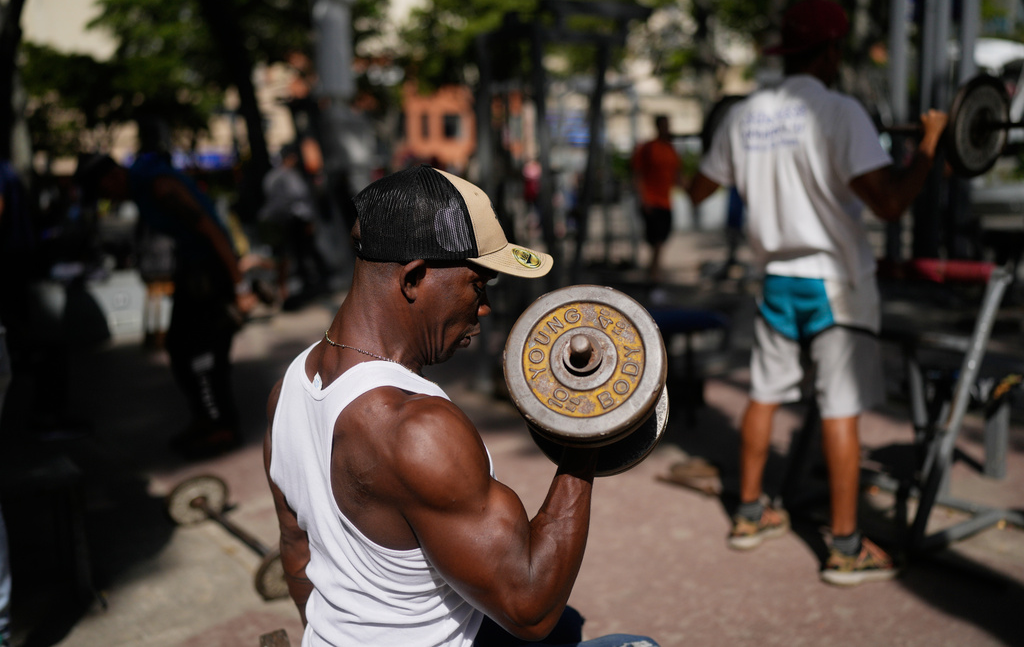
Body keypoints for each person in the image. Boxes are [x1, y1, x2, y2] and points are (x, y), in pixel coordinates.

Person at [264, 165, 659, 647]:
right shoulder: (416, 429)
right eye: (478, 284)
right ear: (415, 278)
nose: (485, 306)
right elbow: (530, 609)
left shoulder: (288, 388)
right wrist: (588, 430)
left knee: (572, 623)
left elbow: (297, 553)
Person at [686, 0, 948, 586]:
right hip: (834, 281)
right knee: (840, 409)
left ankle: (750, 515)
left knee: (764, 394)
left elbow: (699, 188)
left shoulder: (745, 114)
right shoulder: (838, 110)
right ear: (830, 51)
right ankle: (846, 546)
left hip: (776, 279)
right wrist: (930, 144)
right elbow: (890, 202)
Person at [75, 150, 257, 459]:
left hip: (212, 273)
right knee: (179, 347)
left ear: (113, 177)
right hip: (193, 271)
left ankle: (223, 425)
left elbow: (212, 231)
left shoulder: (159, 187)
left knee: (208, 354)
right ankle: (205, 419)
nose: (106, 197)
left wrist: (239, 286)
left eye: (104, 190)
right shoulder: (143, 188)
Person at [258, 142, 330, 305]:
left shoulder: (271, 176)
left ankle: (282, 293)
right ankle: (302, 289)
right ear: (290, 158)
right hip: (292, 222)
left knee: (280, 258)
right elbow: (299, 200)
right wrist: (308, 221)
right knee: (297, 256)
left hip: (272, 223)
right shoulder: (290, 176)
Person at [630, 115, 681, 283]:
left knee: (661, 240)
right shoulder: (648, 148)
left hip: (666, 202)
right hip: (651, 201)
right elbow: (637, 174)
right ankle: (653, 275)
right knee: (656, 241)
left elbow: (676, 176)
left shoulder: (671, 149)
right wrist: (643, 199)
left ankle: (653, 273)